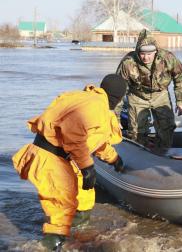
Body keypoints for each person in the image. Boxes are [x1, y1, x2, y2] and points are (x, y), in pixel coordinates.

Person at [12, 74, 127, 251]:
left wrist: (114, 159)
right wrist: (87, 166)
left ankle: (76, 240)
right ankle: (45, 246)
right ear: (117, 98)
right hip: (51, 159)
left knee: (84, 199)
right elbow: (73, 135)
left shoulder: (88, 101)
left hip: (61, 159)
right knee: (61, 215)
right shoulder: (95, 107)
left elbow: (96, 139)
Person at [116, 30, 182, 151]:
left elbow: (180, 76)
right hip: (137, 95)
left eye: (149, 53)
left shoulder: (167, 58)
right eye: (142, 53)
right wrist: (115, 117)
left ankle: (162, 152)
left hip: (160, 95)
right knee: (136, 131)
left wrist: (181, 101)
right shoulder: (128, 62)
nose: (146, 57)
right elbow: (118, 88)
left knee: (167, 127)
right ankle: (138, 154)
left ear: (156, 51)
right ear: (137, 51)